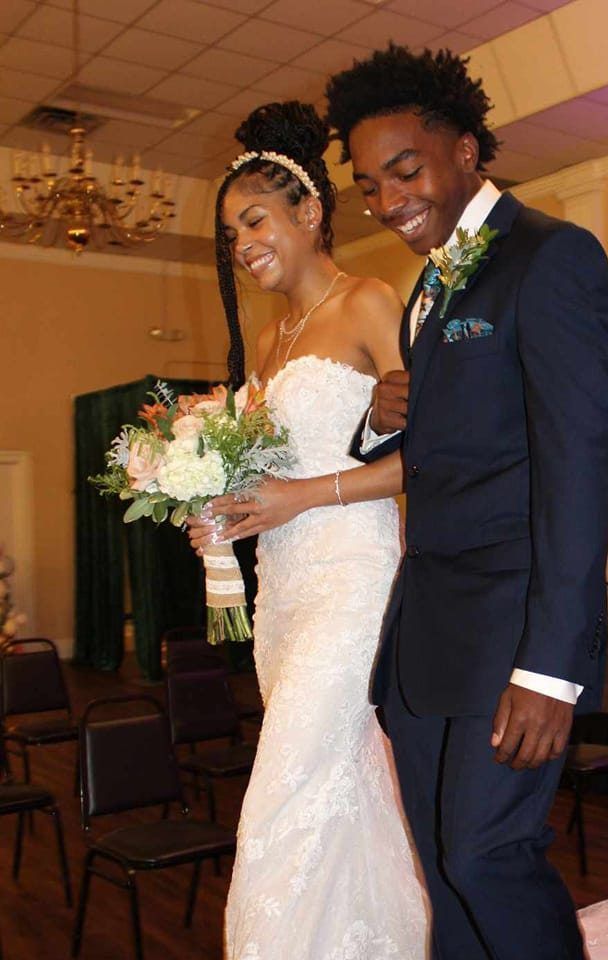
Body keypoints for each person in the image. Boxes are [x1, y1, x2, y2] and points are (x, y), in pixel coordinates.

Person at [323, 46, 608, 960]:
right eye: (369, 185)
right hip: (430, 634)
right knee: (444, 864)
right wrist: (381, 421)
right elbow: (453, 443)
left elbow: (579, 466)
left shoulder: (551, 257)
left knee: (491, 854)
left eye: (404, 170)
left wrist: (551, 668)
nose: (386, 200)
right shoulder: (430, 283)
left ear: (465, 149)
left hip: (513, 631)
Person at [187, 100, 427, 960]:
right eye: (230, 233)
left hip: (355, 581)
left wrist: (301, 496)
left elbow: (430, 457)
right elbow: (265, 482)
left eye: (253, 219)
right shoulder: (265, 339)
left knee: (282, 790)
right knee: (341, 785)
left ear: (309, 212)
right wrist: (217, 503)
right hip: (282, 590)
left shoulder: (369, 300)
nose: (241, 243)